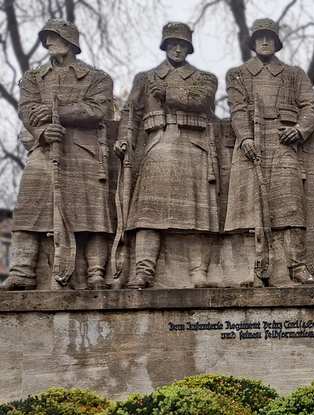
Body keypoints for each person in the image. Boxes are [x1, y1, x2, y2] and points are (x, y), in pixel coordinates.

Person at [3, 19, 113, 290]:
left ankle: (95, 272)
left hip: (84, 151)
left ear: (70, 41)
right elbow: (27, 109)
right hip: (43, 149)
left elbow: (97, 110)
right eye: (46, 38)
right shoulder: (33, 78)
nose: (48, 42)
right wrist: (42, 133)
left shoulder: (97, 78)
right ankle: (22, 271)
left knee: (91, 215)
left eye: (54, 37)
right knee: (30, 206)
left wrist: (58, 113)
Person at [116, 22, 219, 289]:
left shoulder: (204, 78)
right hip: (157, 146)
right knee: (148, 214)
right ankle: (143, 271)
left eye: (182, 44)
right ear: (164, 46)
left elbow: (203, 100)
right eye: (173, 43)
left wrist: (169, 93)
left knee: (197, 217)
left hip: (193, 147)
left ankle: (199, 272)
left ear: (189, 48)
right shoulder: (145, 78)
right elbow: (131, 113)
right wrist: (124, 140)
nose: (177, 48)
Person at [223, 18, 314, 285]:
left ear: (276, 42)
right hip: (251, 143)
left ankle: (297, 266)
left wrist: (300, 130)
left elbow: (311, 106)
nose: (264, 41)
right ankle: (255, 267)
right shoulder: (238, 74)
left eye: (269, 37)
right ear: (252, 42)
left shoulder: (294, 73)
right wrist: (244, 139)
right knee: (251, 206)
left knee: (291, 204)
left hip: (284, 140)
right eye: (259, 37)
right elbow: (237, 109)